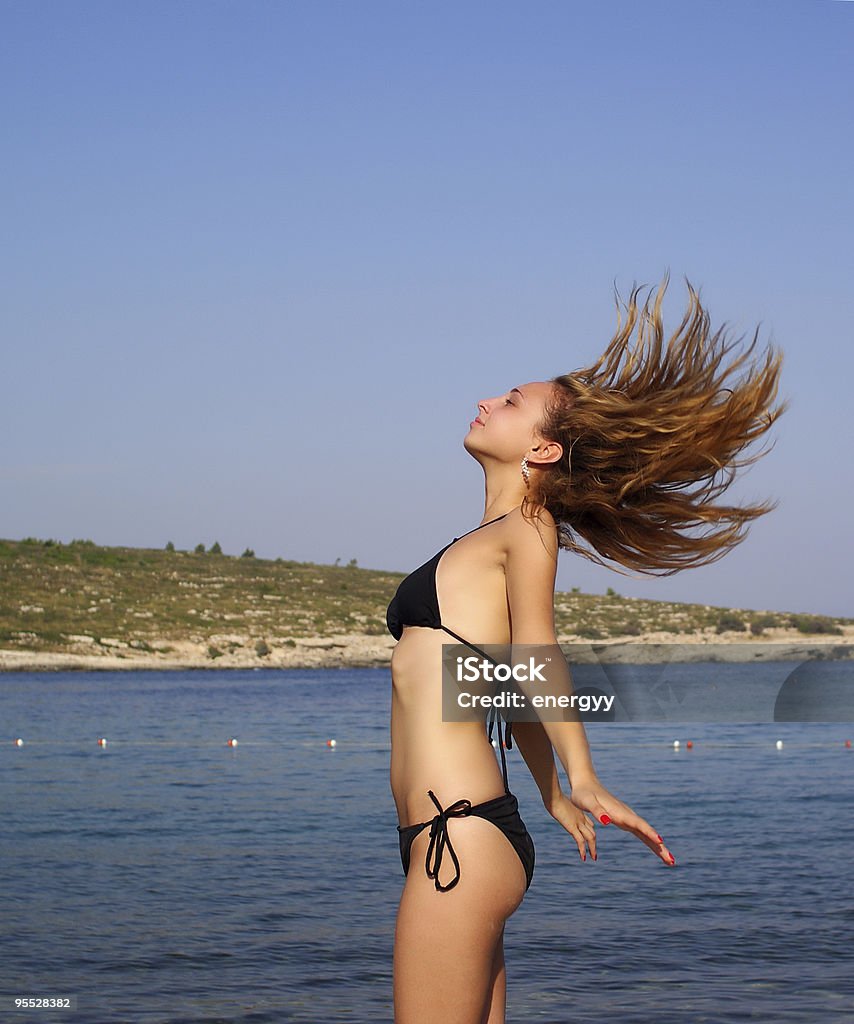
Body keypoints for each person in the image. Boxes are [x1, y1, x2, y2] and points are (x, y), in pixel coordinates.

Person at [386, 271, 786, 1024]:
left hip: (459, 836)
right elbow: (498, 688)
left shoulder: (528, 531)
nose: (485, 400)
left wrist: (585, 774)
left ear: (542, 448)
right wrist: (550, 793)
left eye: (509, 401)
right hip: (463, 834)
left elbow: (539, 653)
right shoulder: (486, 542)